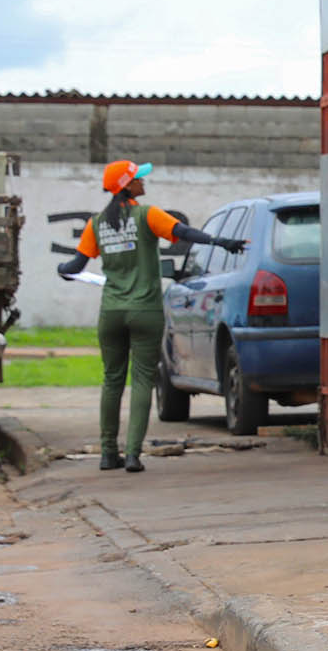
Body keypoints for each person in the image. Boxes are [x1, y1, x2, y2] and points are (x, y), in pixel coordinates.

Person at [57, 160, 245, 473]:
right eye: (139, 178)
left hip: (111, 313)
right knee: (143, 379)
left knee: (111, 380)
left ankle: (107, 453)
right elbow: (183, 232)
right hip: (145, 311)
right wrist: (222, 242)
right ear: (127, 185)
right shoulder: (147, 215)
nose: (144, 182)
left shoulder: (97, 223)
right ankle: (132, 455)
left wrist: (62, 271)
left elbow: (74, 267)